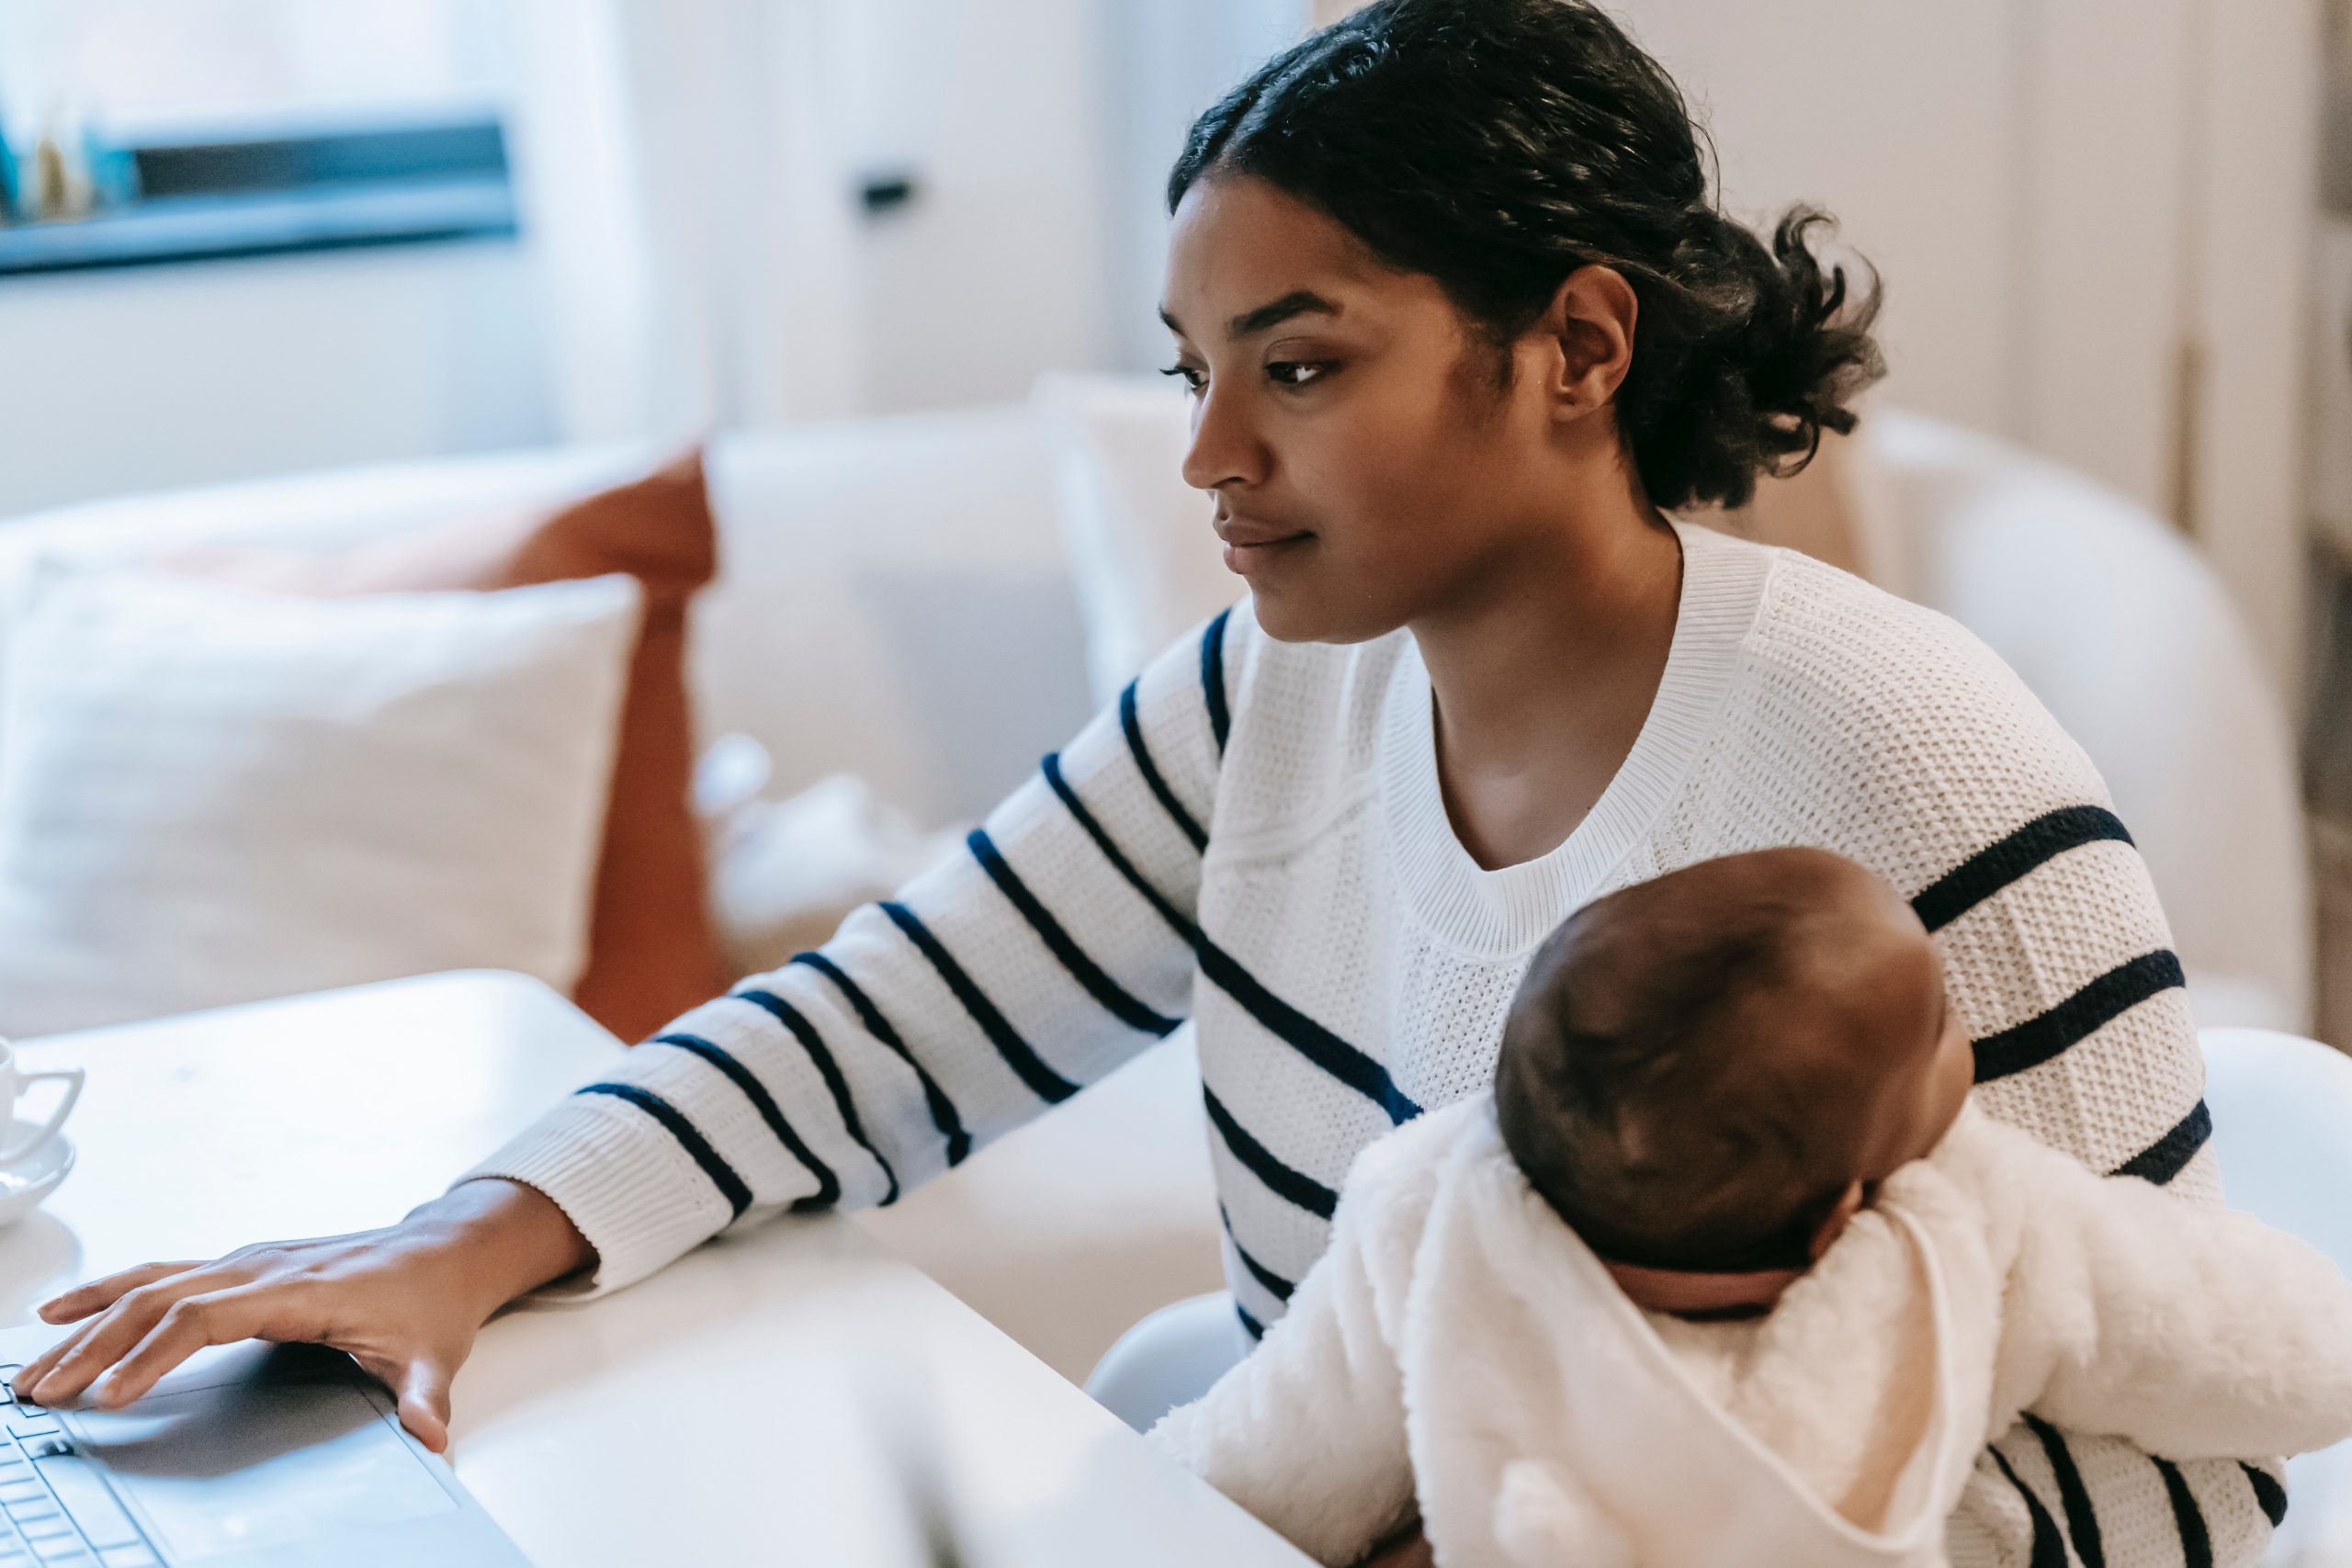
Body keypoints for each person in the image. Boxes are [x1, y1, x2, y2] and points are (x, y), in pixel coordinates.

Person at [12, 1, 2270, 1561]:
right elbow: (903, 1013)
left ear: (1577, 346)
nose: (1208, 457)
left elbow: (2188, 1494)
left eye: (1296, 366)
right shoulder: (1263, 693)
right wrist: (449, 1243)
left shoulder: (1904, 767)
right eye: (1191, 371)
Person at [1148, 849, 2352, 1567]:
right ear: (1838, 1212)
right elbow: (2245, 1338)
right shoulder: (1965, 1227)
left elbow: (1259, 1461)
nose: (1966, 1027)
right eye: (1940, 1025)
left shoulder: (1431, 1216)